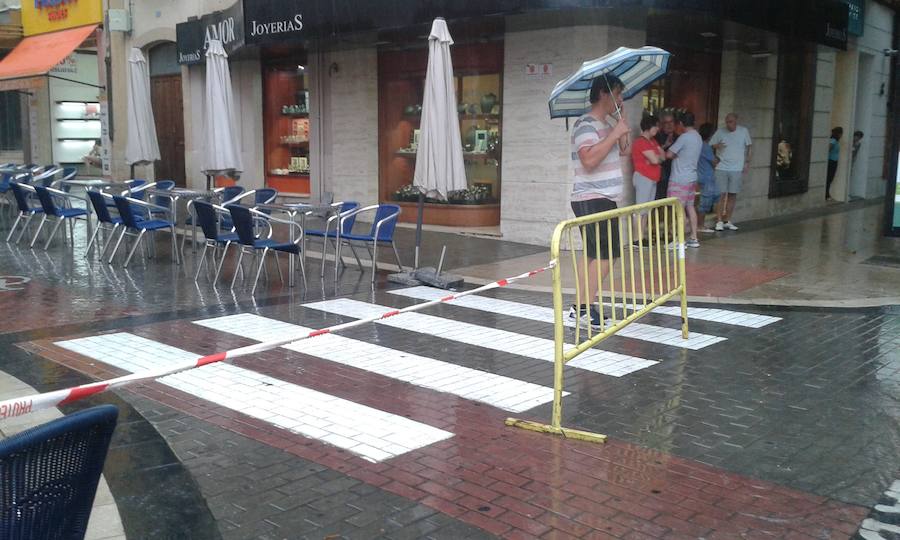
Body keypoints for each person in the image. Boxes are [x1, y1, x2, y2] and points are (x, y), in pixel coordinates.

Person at [568, 74, 631, 328]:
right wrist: (615, 133)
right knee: (606, 255)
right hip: (593, 197)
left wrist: (619, 125)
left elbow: (624, 149)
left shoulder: (606, 124)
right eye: (617, 94)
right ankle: (584, 308)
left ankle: (581, 307)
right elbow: (589, 160)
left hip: (603, 198)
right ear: (604, 94)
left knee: (593, 255)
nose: (620, 99)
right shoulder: (586, 124)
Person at [710, 113, 752, 231]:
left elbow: (749, 146)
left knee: (732, 194)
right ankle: (718, 220)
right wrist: (716, 146)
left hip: (736, 167)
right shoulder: (720, 132)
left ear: (736, 121)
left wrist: (747, 162)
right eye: (727, 122)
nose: (729, 124)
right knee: (721, 194)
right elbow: (711, 144)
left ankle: (727, 220)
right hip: (721, 167)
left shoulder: (743, 131)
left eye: (731, 121)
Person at [665, 111, 701, 248]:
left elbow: (669, 154)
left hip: (679, 178)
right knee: (690, 207)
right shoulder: (697, 137)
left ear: (680, 124)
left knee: (678, 210)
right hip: (692, 177)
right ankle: (694, 237)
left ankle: (679, 240)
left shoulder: (684, 138)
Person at [631, 115, 664, 245]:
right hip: (643, 177)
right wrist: (655, 158)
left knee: (646, 209)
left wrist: (655, 158)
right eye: (655, 125)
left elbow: (663, 156)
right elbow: (656, 159)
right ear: (649, 126)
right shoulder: (641, 142)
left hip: (652, 178)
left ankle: (641, 236)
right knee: (641, 209)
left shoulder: (653, 142)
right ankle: (636, 239)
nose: (657, 128)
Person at [696, 123, 720, 233]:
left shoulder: (702, 145)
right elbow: (714, 162)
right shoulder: (705, 147)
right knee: (704, 202)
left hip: (704, 176)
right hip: (706, 177)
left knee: (713, 197)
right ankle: (700, 225)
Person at [654, 111, 678, 201]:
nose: (669, 125)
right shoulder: (656, 136)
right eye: (666, 122)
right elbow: (654, 154)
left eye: (671, 122)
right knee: (660, 199)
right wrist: (665, 145)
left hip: (676, 173)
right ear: (661, 124)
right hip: (661, 174)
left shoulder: (679, 137)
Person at [826, 127, 843, 201]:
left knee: (830, 178)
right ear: (838, 133)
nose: (841, 135)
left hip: (833, 161)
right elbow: (828, 150)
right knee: (829, 178)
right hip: (831, 161)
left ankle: (827, 194)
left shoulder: (835, 141)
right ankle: (826, 195)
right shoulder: (833, 141)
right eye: (841, 133)